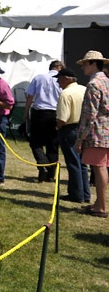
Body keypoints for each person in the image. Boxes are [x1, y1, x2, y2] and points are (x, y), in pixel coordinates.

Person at [75, 50, 109, 218]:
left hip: (97, 132)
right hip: (106, 130)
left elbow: (89, 115)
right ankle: (98, 203)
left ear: (93, 64)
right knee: (100, 167)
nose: (83, 68)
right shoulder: (107, 81)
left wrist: (80, 138)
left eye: (85, 64)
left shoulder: (94, 84)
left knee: (99, 167)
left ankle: (101, 206)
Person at [24, 60, 64, 182]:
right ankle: (51, 175)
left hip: (39, 113)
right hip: (55, 113)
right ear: (59, 68)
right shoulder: (62, 80)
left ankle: (43, 164)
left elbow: (29, 96)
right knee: (52, 145)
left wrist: (26, 114)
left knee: (35, 142)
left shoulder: (39, 78)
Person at [55, 68, 88, 204]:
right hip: (83, 127)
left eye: (60, 78)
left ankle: (76, 194)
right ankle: (85, 194)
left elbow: (62, 118)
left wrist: (56, 127)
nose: (58, 81)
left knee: (73, 162)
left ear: (67, 79)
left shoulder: (65, 94)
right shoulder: (84, 89)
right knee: (83, 163)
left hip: (70, 129)